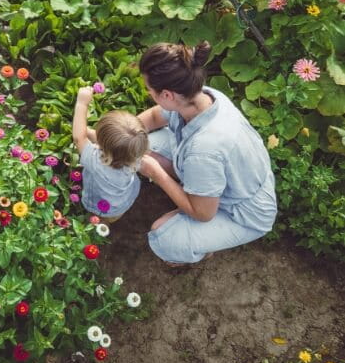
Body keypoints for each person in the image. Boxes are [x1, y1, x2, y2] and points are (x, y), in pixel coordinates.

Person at [137, 41, 277, 265]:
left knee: (164, 239)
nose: (148, 92)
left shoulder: (204, 150)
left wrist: (157, 174)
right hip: (232, 176)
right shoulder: (203, 97)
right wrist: (124, 132)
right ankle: (194, 194)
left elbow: (203, 213)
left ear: (167, 95)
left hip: (245, 212)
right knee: (144, 146)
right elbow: (155, 117)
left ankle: (200, 248)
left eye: (149, 89)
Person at [72, 86, 149, 222]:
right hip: (123, 200)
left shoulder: (96, 162)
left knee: (98, 219)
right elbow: (114, 148)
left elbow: (79, 138)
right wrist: (89, 133)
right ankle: (110, 221)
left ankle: (100, 225)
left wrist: (82, 103)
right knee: (113, 216)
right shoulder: (135, 155)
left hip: (101, 203)